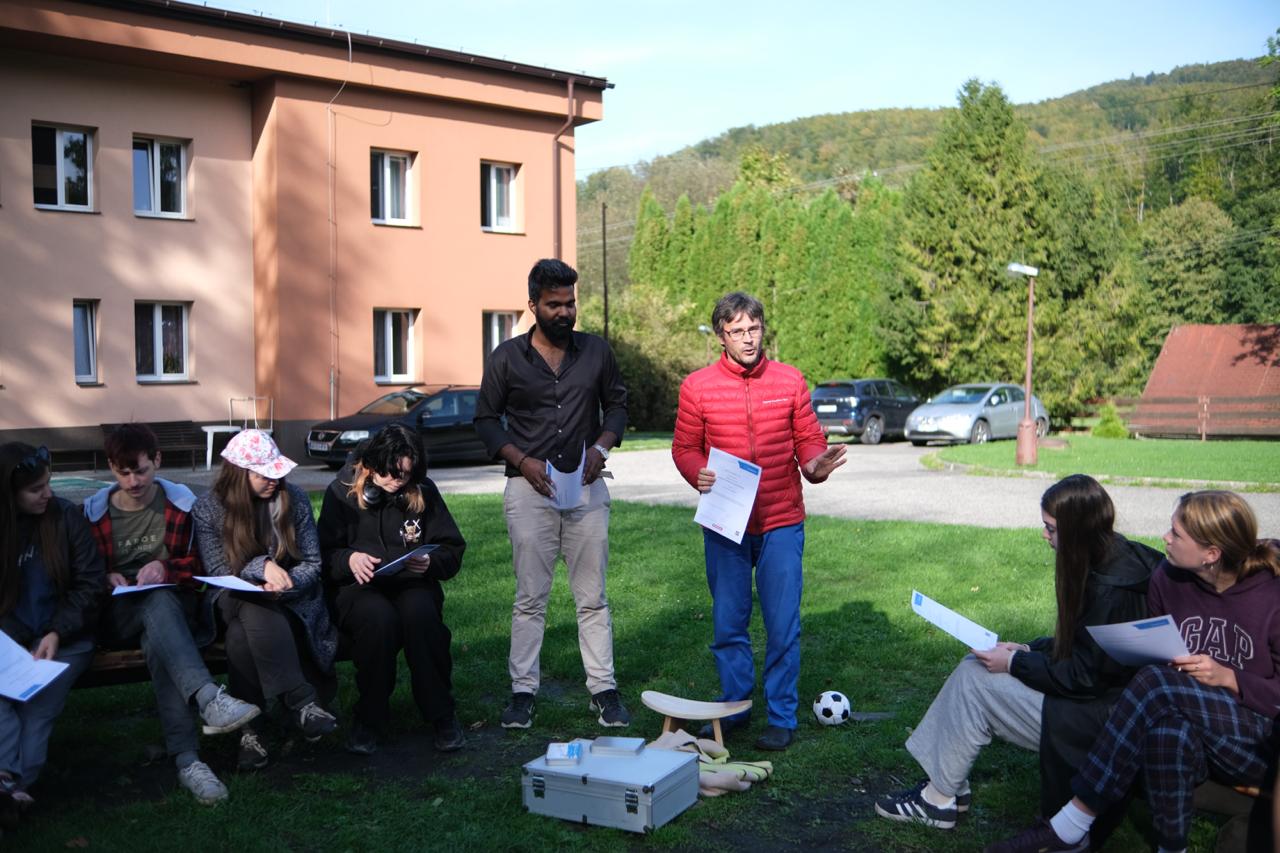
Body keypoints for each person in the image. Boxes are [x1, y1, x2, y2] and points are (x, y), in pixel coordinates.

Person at [989, 491, 1280, 853]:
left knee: (1158, 685)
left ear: (1211, 554)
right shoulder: (1167, 580)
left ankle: (1073, 819)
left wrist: (1229, 677)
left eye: (1176, 534)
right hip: (1186, 719)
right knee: (1167, 730)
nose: (1165, 539)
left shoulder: (1271, 594)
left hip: (1257, 740)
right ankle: (1171, 848)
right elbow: (1158, 660)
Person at [872, 474, 1160, 831]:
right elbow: (1089, 649)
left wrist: (1014, 662)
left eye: (1051, 528)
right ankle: (946, 789)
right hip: (1104, 702)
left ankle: (939, 800)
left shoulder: (1111, 589)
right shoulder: (1114, 557)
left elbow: (1084, 676)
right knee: (975, 665)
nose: (1045, 536)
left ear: (1078, 529)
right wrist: (1026, 648)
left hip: (1102, 720)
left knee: (977, 680)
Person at [671, 291, 846, 751]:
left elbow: (808, 439)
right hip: (725, 522)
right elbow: (684, 447)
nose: (748, 339)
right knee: (729, 623)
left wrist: (815, 464)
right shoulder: (698, 387)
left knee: (782, 623)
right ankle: (736, 707)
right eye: (737, 332)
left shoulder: (789, 381)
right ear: (720, 336)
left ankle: (783, 716)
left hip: (780, 520)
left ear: (763, 330)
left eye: (754, 329)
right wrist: (697, 473)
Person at [475, 258, 630, 730]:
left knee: (593, 598)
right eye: (554, 304)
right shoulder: (506, 358)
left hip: (586, 489)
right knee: (529, 598)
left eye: (570, 303)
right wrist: (521, 459)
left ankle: (602, 690)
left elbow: (618, 405)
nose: (565, 312)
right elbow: (484, 419)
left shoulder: (596, 352)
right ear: (533, 306)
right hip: (528, 490)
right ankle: (523, 692)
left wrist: (602, 447)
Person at [85, 424, 259, 804]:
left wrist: (166, 570)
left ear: (158, 461)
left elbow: (202, 562)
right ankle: (208, 701)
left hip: (173, 614)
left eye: (141, 470)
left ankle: (188, 760)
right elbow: (79, 573)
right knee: (156, 608)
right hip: (116, 618)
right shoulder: (94, 513)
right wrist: (104, 578)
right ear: (112, 469)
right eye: (123, 472)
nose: (132, 481)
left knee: (159, 618)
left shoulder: (181, 503)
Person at [192, 430, 338, 770]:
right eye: (263, 474)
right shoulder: (209, 508)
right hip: (229, 598)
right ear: (239, 473)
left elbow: (312, 563)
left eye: (277, 471)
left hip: (287, 602)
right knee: (248, 603)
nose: (274, 479)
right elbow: (217, 569)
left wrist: (284, 584)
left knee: (242, 637)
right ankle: (301, 702)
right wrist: (262, 567)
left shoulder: (294, 498)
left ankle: (251, 733)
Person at [317, 424, 467, 754]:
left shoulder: (422, 490)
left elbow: (451, 548)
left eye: (405, 476)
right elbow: (322, 555)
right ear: (371, 466)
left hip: (412, 583)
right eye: (391, 475)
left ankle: (441, 714)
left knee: (421, 616)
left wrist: (430, 563)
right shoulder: (341, 493)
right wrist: (349, 559)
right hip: (359, 589)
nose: (398, 482)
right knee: (378, 621)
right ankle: (370, 718)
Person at [0, 444, 102, 827]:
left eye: (48, 484)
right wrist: (14, 642)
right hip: (9, 642)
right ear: (9, 494)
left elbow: (90, 585)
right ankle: (9, 783)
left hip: (66, 639)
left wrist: (57, 631)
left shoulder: (65, 518)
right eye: (35, 489)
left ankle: (14, 789)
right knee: (2, 702)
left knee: (38, 707)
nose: (47, 494)